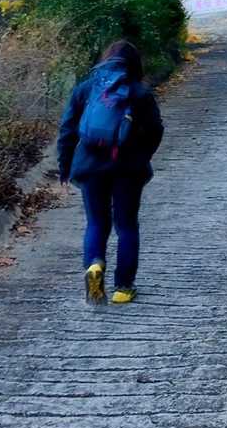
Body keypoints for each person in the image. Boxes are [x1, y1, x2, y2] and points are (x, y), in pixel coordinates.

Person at [57, 39, 163, 305]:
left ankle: (94, 265)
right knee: (126, 225)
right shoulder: (139, 92)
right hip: (128, 169)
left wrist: (65, 166)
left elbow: (67, 130)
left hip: (90, 167)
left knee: (96, 222)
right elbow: (156, 130)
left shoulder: (86, 88)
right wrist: (143, 156)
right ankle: (123, 288)